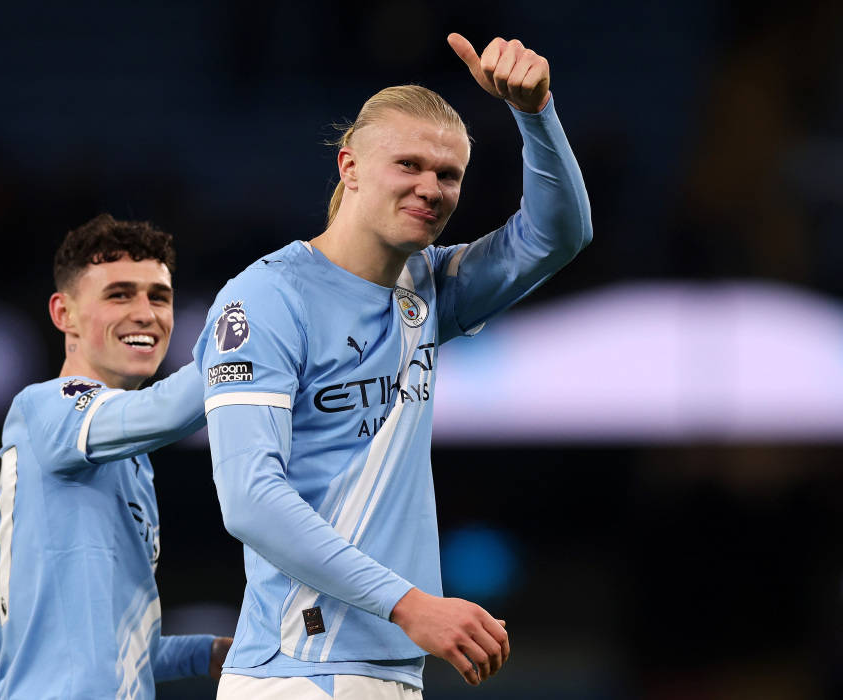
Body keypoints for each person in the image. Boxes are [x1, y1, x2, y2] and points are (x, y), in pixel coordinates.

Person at [194, 33, 592, 698]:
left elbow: (558, 235)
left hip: (390, 670)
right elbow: (250, 500)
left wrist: (535, 113)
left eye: (449, 175)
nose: (430, 189)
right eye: (409, 165)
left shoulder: (429, 289)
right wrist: (410, 604)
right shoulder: (266, 298)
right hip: (300, 670)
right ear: (349, 166)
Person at [0, 214, 232, 699]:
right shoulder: (46, 407)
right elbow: (168, 411)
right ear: (64, 313)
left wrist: (205, 653)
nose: (146, 314)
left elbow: (104, 650)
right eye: (119, 294)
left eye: (158, 297)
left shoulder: (131, 460)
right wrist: (244, 343)